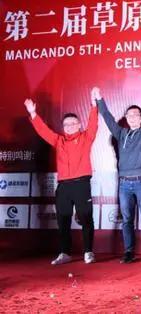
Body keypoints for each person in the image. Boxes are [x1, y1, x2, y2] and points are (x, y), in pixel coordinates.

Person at [24, 92, 98, 265]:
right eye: (66, 124)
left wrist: (94, 106)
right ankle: (65, 252)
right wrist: (33, 114)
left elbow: (93, 124)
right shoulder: (58, 140)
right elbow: (43, 131)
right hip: (63, 186)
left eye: (73, 123)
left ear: (79, 125)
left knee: (86, 217)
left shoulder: (86, 137)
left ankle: (88, 251)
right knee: (63, 219)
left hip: (81, 184)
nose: (69, 126)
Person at [94, 78, 141, 263]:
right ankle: (129, 252)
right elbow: (107, 118)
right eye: (129, 115)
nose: (132, 117)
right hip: (124, 184)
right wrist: (99, 99)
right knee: (127, 219)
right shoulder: (121, 133)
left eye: (136, 114)